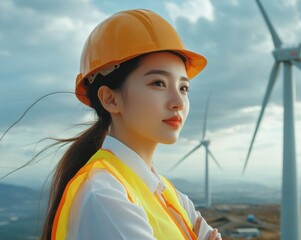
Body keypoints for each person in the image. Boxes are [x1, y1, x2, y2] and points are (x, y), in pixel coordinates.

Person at [39, 8, 222, 240]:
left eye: (183, 88)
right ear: (111, 99)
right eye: (158, 83)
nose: (178, 102)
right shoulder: (104, 195)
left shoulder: (167, 193)